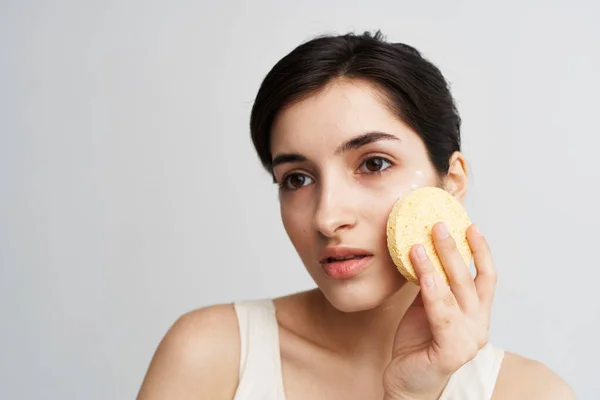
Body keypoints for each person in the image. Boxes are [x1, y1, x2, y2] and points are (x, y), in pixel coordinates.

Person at [136, 30, 575, 399]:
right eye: (297, 178)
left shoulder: (529, 392)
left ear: (452, 181)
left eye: (374, 163)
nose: (327, 218)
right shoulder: (212, 355)